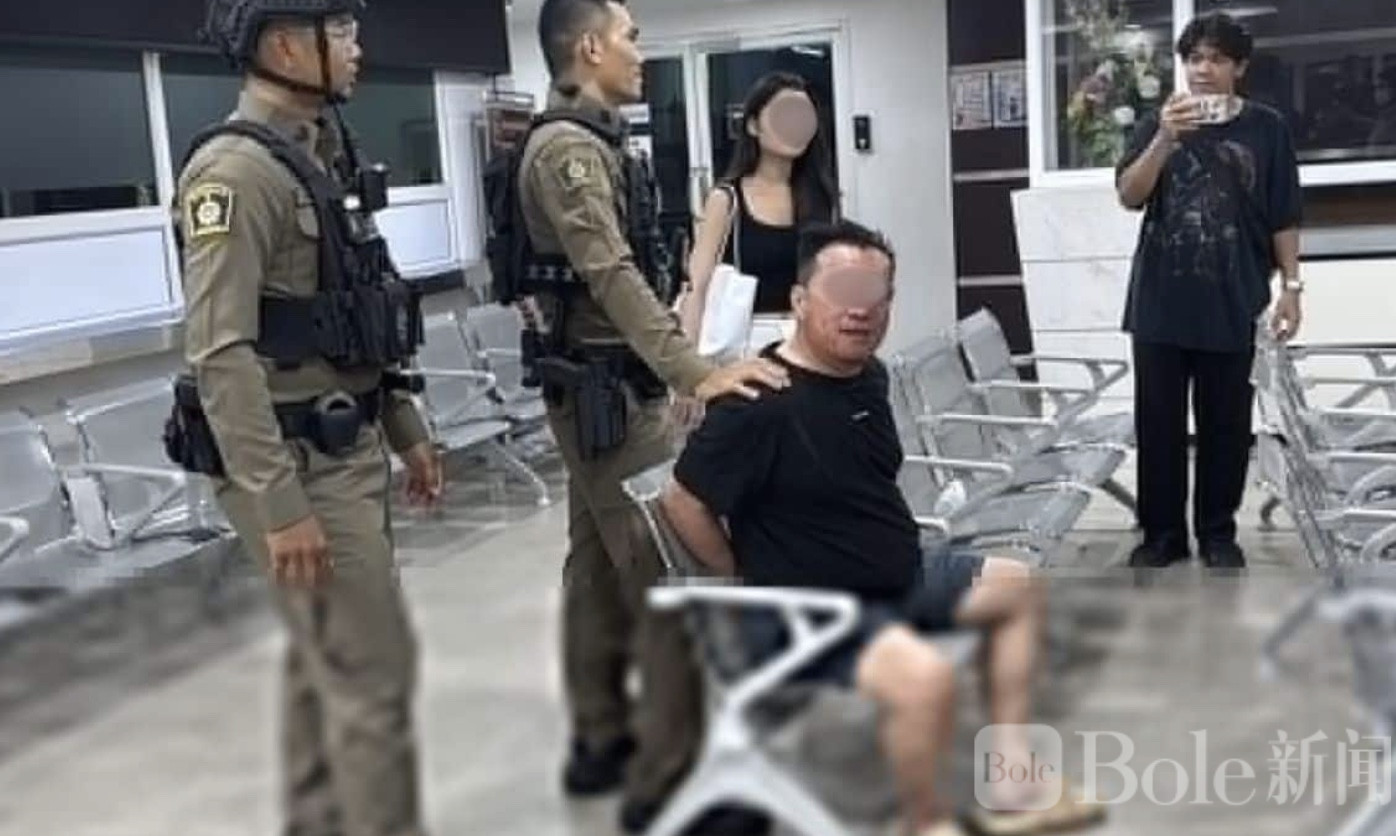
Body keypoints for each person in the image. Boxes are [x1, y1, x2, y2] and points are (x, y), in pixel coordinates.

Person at [662, 220, 1106, 836]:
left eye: (876, 294)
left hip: (900, 573)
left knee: (1017, 586)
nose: (860, 310)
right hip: (814, 610)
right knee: (926, 680)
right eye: (842, 290)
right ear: (799, 301)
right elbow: (682, 500)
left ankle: (1009, 779)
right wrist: (737, 574)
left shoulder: (868, 375)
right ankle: (922, 824)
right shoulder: (759, 403)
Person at [516, 1, 788, 832]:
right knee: (666, 572)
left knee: (598, 570)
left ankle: (601, 738)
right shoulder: (567, 151)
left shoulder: (594, 141)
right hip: (606, 391)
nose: (640, 51)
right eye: (630, 37)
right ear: (589, 47)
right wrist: (697, 371)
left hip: (605, 387)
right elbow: (610, 275)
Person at [170, 2, 441, 835]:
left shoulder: (318, 155)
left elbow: (358, 308)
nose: (358, 47)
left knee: (324, 664)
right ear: (287, 46)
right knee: (372, 679)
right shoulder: (235, 176)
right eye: (342, 30)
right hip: (294, 463)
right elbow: (220, 353)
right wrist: (280, 507)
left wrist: (405, 427)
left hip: (345, 442)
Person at [1116, 11, 1303, 569]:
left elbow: (1285, 213)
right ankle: (1162, 535)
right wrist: (1164, 139)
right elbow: (1129, 195)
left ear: (1239, 67)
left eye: (1217, 59)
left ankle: (1218, 533)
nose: (1203, 69)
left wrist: (1292, 287)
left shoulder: (1267, 129)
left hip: (1234, 298)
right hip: (1160, 303)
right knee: (1159, 427)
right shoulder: (1158, 122)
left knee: (1227, 426)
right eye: (1194, 58)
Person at [678, 71, 839, 345]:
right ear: (753, 125)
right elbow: (698, 287)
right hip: (747, 341)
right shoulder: (726, 199)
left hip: (811, 340)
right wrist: (688, 364)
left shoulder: (822, 198)